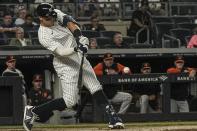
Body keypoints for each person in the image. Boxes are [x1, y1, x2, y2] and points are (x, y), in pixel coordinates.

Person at [23, 3, 124, 131]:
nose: (52, 19)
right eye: (49, 18)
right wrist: (77, 47)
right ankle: (33, 111)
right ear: (40, 19)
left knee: (95, 87)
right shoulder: (43, 35)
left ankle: (113, 118)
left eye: (53, 16)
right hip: (65, 64)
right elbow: (60, 51)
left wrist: (80, 37)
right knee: (70, 102)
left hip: (79, 57)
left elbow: (70, 23)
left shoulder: (55, 13)